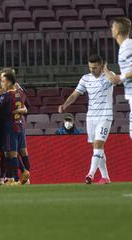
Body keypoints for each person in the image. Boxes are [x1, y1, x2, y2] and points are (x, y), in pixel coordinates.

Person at [59, 55, 113, 184]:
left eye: (95, 67)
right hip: (91, 117)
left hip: (105, 116)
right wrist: (65, 105)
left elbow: (114, 81)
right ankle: (105, 177)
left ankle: (90, 175)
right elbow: (75, 94)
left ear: (101, 65)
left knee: (99, 145)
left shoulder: (109, 75)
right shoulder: (86, 78)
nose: (92, 70)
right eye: (90, 67)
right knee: (96, 147)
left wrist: (105, 69)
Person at [104, 17, 132, 139]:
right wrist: (108, 72)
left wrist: (120, 77)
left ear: (118, 31)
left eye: (113, 27)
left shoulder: (127, 46)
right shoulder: (125, 47)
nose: (111, 29)